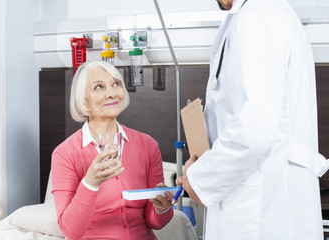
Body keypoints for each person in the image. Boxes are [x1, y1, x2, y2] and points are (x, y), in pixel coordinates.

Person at [176, 0, 329, 239]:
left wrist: (199, 179)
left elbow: (253, 131)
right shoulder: (261, 15)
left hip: (259, 212)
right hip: (263, 201)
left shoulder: (256, 19)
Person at [51, 61, 174, 240]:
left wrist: (161, 208)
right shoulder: (65, 154)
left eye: (116, 84)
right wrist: (90, 183)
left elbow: (154, 222)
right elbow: (70, 231)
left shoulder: (147, 145)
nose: (111, 94)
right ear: (82, 98)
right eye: (99, 87)